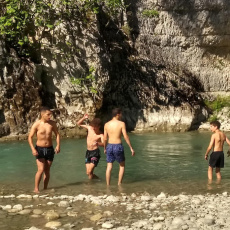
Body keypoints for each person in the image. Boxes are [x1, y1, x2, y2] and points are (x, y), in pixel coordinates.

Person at [28, 107, 60, 193]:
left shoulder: (52, 123)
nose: (50, 116)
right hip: (40, 149)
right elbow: (30, 137)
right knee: (40, 169)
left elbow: (57, 134)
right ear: (42, 114)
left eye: (51, 114)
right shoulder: (37, 124)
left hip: (50, 149)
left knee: (47, 170)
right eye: (48, 114)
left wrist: (58, 145)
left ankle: (45, 188)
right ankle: (36, 189)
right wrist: (33, 149)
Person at [104, 108, 135, 185]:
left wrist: (105, 148)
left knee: (109, 166)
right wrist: (131, 148)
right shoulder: (121, 124)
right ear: (118, 114)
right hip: (118, 146)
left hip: (109, 146)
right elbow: (125, 136)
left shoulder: (106, 124)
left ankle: (108, 185)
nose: (121, 115)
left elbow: (105, 138)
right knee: (122, 165)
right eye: (121, 113)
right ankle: (119, 184)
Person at [77, 114, 104, 179]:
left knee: (89, 171)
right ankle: (94, 183)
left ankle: (91, 184)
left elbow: (104, 144)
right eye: (93, 126)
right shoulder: (90, 128)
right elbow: (78, 123)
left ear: (99, 126)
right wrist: (84, 118)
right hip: (88, 152)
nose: (93, 128)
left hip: (95, 153)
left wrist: (98, 143)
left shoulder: (101, 135)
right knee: (88, 173)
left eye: (95, 127)